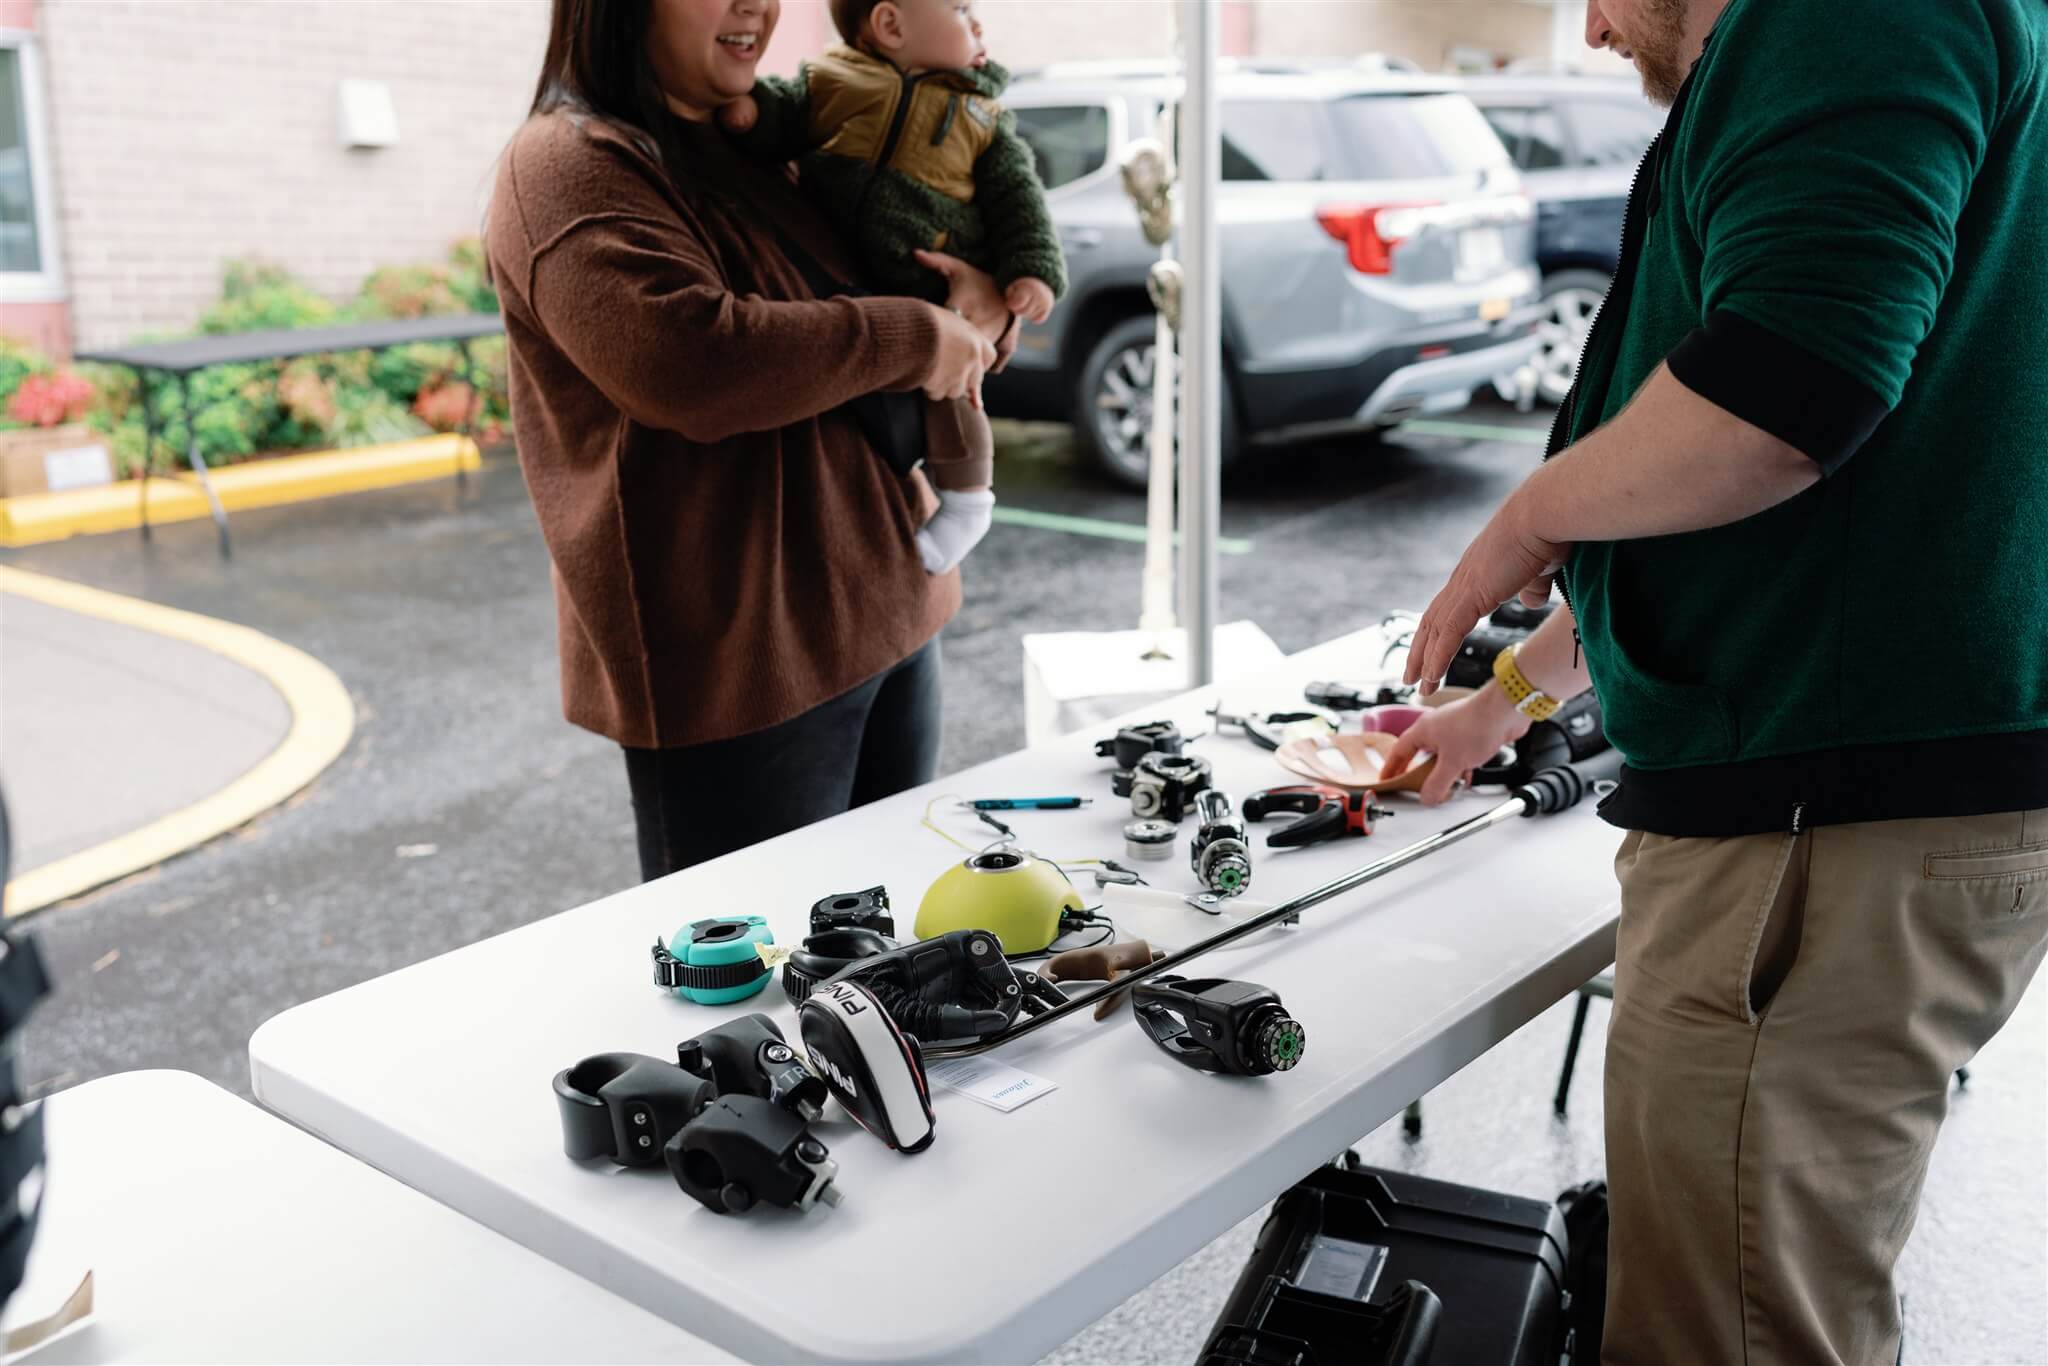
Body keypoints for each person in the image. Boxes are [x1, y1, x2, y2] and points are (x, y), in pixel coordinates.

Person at [1382, 0, 2048, 1360]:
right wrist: (1502, 703)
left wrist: (1529, 516)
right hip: (1859, 808)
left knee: (1728, 1330)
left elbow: (1784, 397)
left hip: (1815, 831)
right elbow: (1748, 518)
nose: (1593, 28)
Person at [486, 0, 1017, 880]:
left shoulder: (761, 143)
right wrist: (918, 337)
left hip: (892, 601)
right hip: (742, 666)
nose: (757, 7)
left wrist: (984, 299)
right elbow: (691, 362)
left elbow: (900, 260)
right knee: (762, 957)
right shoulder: (566, 163)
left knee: (888, 933)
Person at [719, 0, 1065, 574]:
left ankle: (968, 502)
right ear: (890, 25)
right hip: (850, 282)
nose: (977, 23)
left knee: (954, 394)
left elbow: (1018, 199)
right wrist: (753, 116)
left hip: (929, 278)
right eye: (960, 9)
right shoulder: (832, 80)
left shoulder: (980, 117)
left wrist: (1032, 271)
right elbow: (786, 110)